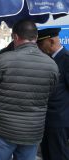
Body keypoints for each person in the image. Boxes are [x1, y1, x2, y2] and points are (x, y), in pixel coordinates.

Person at [0, 19, 59, 160]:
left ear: (15, 37)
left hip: (4, 130)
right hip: (32, 131)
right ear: (35, 37)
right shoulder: (52, 65)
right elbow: (50, 94)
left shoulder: (3, 60)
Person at [37, 28, 69, 160]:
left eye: (40, 43)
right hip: (47, 120)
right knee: (47, 154)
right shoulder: (49, 60)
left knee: (58, 156)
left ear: (51, 41)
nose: (38, 47)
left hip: (59, 121)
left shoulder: (66, 59)